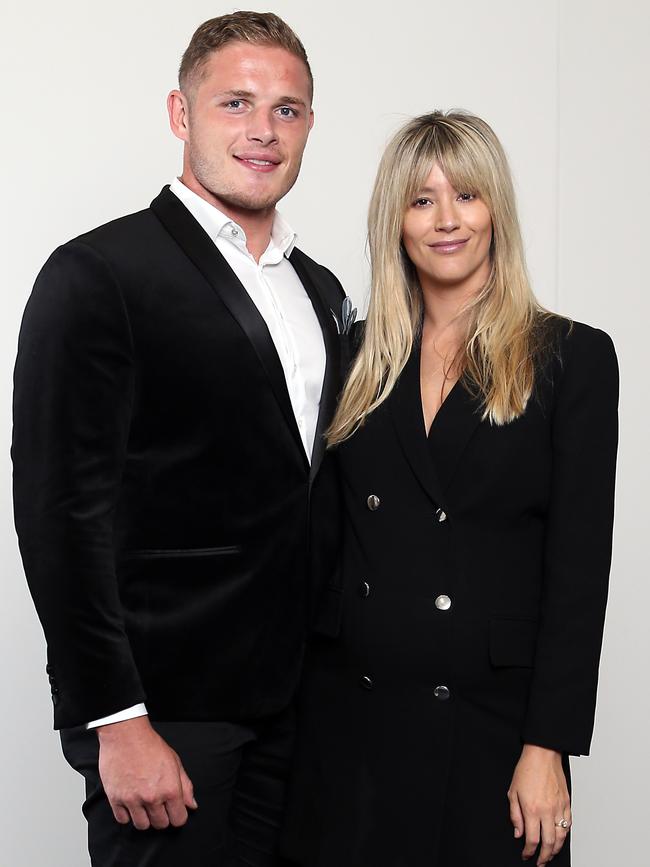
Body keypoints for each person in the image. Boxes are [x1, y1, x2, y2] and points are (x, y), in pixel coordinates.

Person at [12, 11, 346, 867]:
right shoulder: (99, 274)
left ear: (310, 124)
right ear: (180, 113)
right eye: (236, 102)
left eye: (287, 109)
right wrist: (115, 721)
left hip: (304, 709)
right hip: (168, 716)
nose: (263, 131)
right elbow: (59, 513)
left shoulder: (322, 289)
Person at [280, 111, 618, 867]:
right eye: (421, 199)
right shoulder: (356, 351)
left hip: (492, 730)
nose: (445, 220)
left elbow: (577, 573)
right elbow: (318, 540)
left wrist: (548, 747)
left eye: (466, 195)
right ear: (394, 219)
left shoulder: (570, 358)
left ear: (496, 207)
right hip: (350, 727)